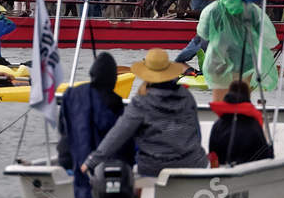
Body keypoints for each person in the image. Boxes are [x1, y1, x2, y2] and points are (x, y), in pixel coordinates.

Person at [83, 49, 209, 178]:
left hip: (155, 169)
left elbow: (118, 134)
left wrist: (91, 161)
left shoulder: (141, 102)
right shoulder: (186, 96)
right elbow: (196, 133)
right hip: (194, 164)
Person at [56, 52, 131, 198]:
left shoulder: (70, 94)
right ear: (113, 78)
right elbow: (119, 138)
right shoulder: (115, 101)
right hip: (99, 167)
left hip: (68, 160)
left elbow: (62, 129)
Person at [195, 0, 278, 100]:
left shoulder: (213, 9)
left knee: (220, 101)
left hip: (218, 58)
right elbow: (268, 38)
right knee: (243, 98)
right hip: (246, 60)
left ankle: (222, 117)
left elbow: (203, 33)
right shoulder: (252, 9)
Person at [208, 81, 273, 165]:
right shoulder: (254, 125)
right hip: (248, 172)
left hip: (223, 171)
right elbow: (264, 155)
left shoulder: (217, 125)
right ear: (248, 96)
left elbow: (212, 155)